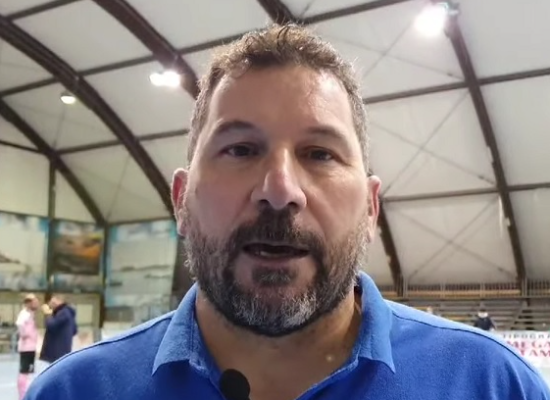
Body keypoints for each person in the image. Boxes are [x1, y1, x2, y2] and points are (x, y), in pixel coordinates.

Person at [25, 24, 549, 400]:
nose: (280, 190)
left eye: (319, 154)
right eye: (240, 149)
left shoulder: (492, 384)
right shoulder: (76, 391)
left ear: (371, 208)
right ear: (181, 199)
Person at [38, 294, 77, 366]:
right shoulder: (69, 313)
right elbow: (74, 330)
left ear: (59, 301)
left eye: (53, 303)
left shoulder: (62, 313)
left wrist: (47, 314)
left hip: (57, 350)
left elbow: (50, 325)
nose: (51, 305)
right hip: (64, 348)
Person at [15, 293, 39, 400]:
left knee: (27, 371)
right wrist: (25, 334)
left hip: (31, 346)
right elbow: (19, 324)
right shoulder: (24, 314)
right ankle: (22, 396)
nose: (36, 304)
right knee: (24, 371)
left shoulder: (30, 314)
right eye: (34, 302)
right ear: (28, 303)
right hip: (26, 347)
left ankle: (25, 393)